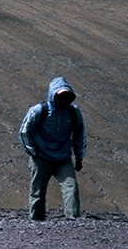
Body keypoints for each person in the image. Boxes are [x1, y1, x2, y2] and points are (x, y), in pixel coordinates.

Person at [18, 76, 85, 220]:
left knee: (71, 187)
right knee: (38, 191)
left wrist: (79, 158)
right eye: (60, 97)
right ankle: (36, 220)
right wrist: (33, 152)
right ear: (53, 95)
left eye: (66, 97)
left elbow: (79, 135)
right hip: (41, 157)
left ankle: (73, 220)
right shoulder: (39, 110)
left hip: (63, 158)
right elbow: (25, 131)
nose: (63, 101)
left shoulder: (73, 112)